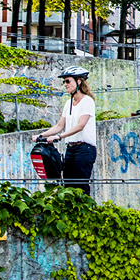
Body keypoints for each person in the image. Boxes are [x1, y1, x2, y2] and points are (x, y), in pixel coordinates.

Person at [32, 66, 97, 195]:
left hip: (85, 149)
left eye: (68, 81)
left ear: (79, 81)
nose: (65, 84)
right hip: (71, 148)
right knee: (67, 186)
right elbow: (60, 125)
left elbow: (80, 125)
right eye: (64, 82)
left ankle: (86, 213)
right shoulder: (69, 103)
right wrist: (41, 135)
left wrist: (59, 137)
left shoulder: (87, 101)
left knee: (81, 186)